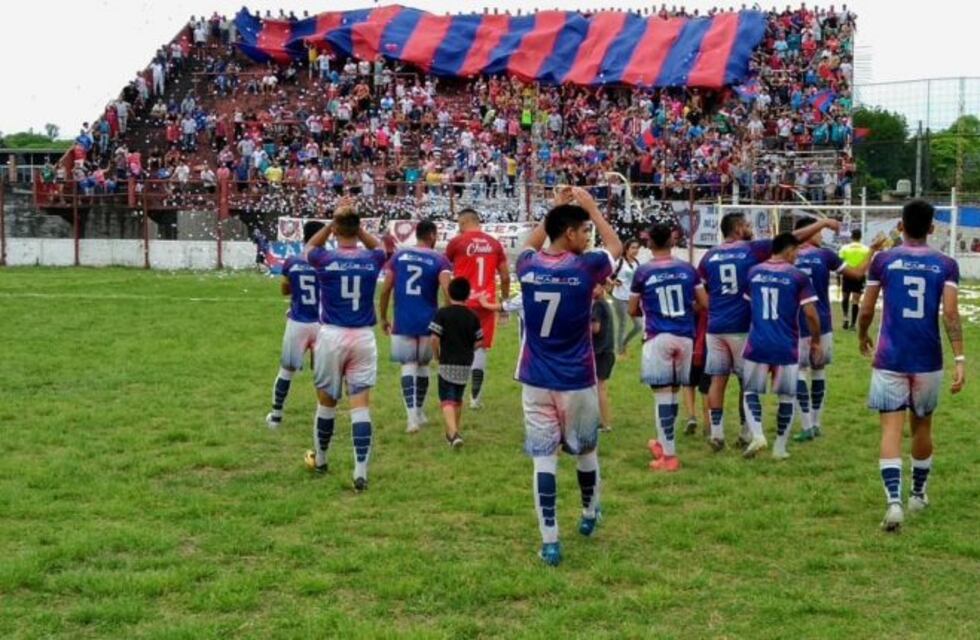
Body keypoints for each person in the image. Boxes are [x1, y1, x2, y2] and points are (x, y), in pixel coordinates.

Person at [516, 186, 622, 567]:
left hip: (535, 377)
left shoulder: (527, 266)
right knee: (586, 450)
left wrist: (555, 209)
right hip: (576, 377)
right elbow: (616, 245)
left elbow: (528, 244)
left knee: (543, 460)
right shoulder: (586, 266)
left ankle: (550, 541)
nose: (588, 237)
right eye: (583, 231)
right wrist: (591, 206)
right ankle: (590, 513)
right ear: (570, 234)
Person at [858, 200, 965, 532]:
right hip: (927, 358)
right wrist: (960, 358)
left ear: (900, 226)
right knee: (922, 428)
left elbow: (866, 308)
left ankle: (893, 502)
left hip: (890, 356)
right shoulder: (946, 264)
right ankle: (918, 494)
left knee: (890, 429)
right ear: (933, 228)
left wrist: (862, 334)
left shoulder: (883, 260)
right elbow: (950, 314)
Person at [697, 213, 838, 452]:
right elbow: (790, 238)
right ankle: (746, 432)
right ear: (739, 228)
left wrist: (714, 308)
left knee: (717, 380)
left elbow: (701, 290)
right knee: (746, 383)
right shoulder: (752, 250)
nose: (751, 228)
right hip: (742, 326)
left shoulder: (708, 256)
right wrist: (823, 223)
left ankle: (717, 434)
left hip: (715, 327)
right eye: (748, 225)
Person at [304, 199, 386, 491]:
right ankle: (360, 471)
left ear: (337, 229)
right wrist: (356, 226)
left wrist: (330, 224)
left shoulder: (325, 259)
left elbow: (309, 249)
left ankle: (322, 459)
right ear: (358, 228)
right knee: (360, 407)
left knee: (326, 403)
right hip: (363, 336)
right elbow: (382, 249)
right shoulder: (371, 259)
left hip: (332, 335)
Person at [629, 213, 708, 472]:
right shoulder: (687, 268)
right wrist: (685, 310)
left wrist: (652, 311)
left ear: (649, 243)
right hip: (685, 336)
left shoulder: (643, 271)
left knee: (663, 396)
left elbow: (632, 309)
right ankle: (664, 444)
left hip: (659, 336)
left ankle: (669, 456)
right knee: (672, 392)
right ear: (673, 242)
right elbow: (703, 303)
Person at [792, 217, 879, 442]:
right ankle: (817, 423)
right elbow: (858, 274)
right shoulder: (825, 255)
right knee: (819, 371)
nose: (821, 236)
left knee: (799, 372)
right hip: (822, 321)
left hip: (796, 320)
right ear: (809, 232)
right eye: (819, 232)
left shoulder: (788, 256)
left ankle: (807, 425)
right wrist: (872, 251)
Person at [741, 233, 822, 460]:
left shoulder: (754, 272)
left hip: (757, 342)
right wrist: (815, 340)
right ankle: (779, 448)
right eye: (796, 252)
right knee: (787, 397)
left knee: (750, 392)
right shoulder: (797, 277)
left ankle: (757, 435)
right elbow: (811, 314)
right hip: (786, 345)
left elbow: (749, 304)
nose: (797, 256)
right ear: (788, 251)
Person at [379, 220, 452, 433]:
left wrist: (383, 317)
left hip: (403, 319)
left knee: (407, 366)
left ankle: (411, 418)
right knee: (423, 366)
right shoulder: (440, 259)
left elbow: (385, 289)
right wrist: (447, 318)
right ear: (431, 236)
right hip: (429, 320)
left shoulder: (399, 256)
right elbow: (448, 290)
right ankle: (419, 412)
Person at [445, 208, 510, 409]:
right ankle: (476, 399)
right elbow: (506, 276)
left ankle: (456, 396)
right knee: (480, 349)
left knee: (460, 348)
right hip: (486, 303)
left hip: (462, 302)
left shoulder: (457, 243)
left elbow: (445, 271)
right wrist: (504, 303)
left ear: (463, 222)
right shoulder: (494, 243)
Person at [265, 221, 323, 429]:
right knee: (322, 373)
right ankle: (322, 417)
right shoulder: (328, 262)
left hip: (298, 322)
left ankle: (276, 416)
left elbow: (284, 290)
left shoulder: (292, 261)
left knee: (286, 371)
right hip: (322, 324)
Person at [430, 278, 484, 449]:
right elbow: (480, 341)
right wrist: (469, 349)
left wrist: (436, 355)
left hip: (447, 361)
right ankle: (452, 434)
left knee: (446, 399)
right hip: (465, 363)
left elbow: (434, 338)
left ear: (449, 293)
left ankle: (453, 434)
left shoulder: (442, 313)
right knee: (458, 399)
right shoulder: (472, 316)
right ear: (467, 295)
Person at [611, 239, 643, 357]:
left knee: (639, 326)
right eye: (633, 248)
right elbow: (605, 275)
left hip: (632, 299)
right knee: (623, 324)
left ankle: (624, 343)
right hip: (619, 298)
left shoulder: (637, 263)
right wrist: (613, 282)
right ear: (627, 249)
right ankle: (620, 352)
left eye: (637, 248)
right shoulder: (619, 262)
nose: (635, 250)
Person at [591, 281, 616, 432]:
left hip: (600, 351)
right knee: (599, 387)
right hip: (607, 351)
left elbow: (595, 328)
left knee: (600, 388)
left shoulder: (598, 305)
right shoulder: (605, 303)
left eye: (595, 286)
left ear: (603, 288)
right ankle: (602, 420)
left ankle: (605, 423)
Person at [839, 228, 870, 330]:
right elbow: (868, 264)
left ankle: (845, 318)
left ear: (851, 237)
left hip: (847, 275)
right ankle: (853, 324)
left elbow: (840, 263)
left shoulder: (844, 248)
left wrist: (839, 277)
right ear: (860, 237)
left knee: (845, 298)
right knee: (856, 301)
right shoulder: (866, 249)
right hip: (859, 276)